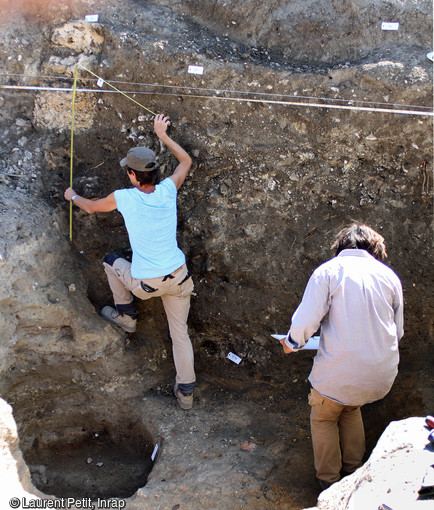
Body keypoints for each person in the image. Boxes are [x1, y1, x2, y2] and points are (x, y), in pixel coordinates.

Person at [64, 114, 196, 410]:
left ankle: (126, 316)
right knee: (180, 335)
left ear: (133, 176)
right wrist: (163, 136)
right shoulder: (167, 190)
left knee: (111, 261)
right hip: (179, 278)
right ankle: (186, 394)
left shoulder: (124, 198)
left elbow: (90, 207)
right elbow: (185, 162)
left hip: (145, 285)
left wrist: (71, 195)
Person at [280, 223, 404, 491]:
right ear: (374, 249)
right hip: (380, 376)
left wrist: (291, 343)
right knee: (350, 407)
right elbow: (398, 331)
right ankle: (355, 476)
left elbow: (306, 320)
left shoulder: (328, 272)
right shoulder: (389, 276)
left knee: (324, 416)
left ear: (340, 246)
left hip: (339, 377)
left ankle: (329, 485)